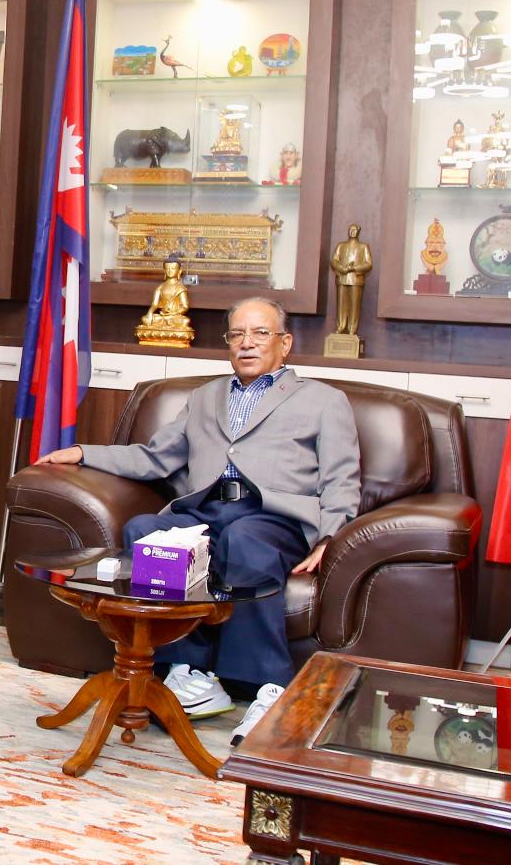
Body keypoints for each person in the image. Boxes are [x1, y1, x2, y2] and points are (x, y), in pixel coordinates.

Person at [35, 296, 360, 741]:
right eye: (237, 334)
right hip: (206, 510)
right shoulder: (206, 396)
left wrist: (329, 537)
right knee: (145, 531)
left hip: (270, 515)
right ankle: (190, 673)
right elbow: (155, 457)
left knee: (244, 538)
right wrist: (83, 453)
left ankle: (268, 687)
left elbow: (342, 477)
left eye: (260, 333)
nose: (247, 343)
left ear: (284, 343)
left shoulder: (324, 400)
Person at [330, 223, 373, 336]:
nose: (352, 231)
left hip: (356, 280)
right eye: (350, 229)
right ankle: (341, 326)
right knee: (341, 305)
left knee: (354, 305)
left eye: (354, 229)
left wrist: (354, 268)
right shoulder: (341, 246)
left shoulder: (363, 246)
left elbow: (368, 264)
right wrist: (342, 268)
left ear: (358, 231)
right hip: (342, 278)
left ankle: (352, 329)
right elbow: (334, 260)